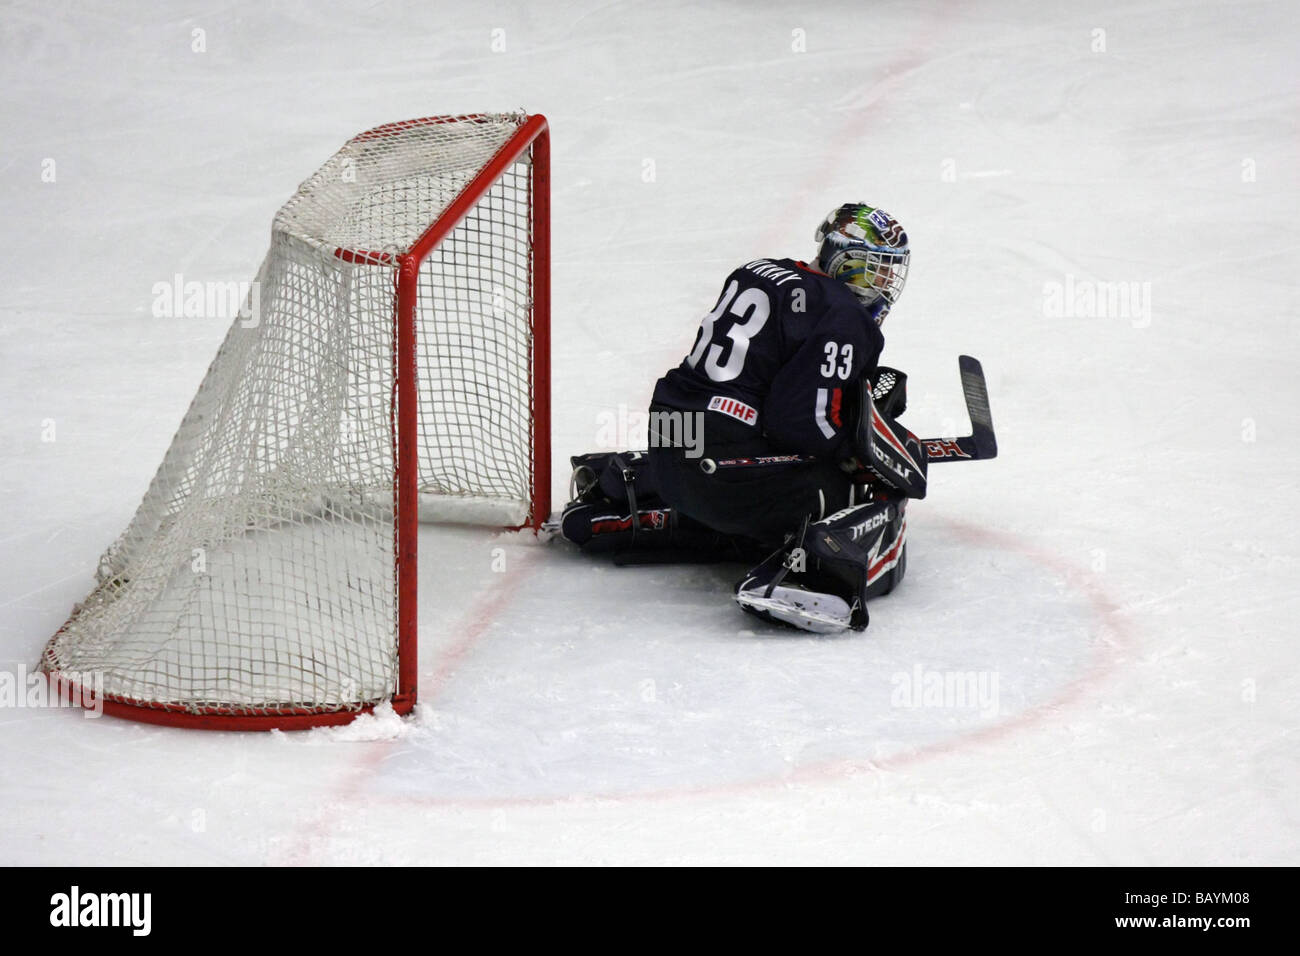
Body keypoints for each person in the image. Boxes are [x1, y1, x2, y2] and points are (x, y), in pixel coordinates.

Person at [559, 204, 928, 634]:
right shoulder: (844, 316)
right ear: (841, 260)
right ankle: (805, 573)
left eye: (888, 274)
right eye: (873, 272)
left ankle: (623, 486)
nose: (882, 286)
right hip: (725, 472)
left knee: (715, 469)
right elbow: (803, 425)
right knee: (850, 492)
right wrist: (856, 448)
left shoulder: (758, 270)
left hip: (669, 438)